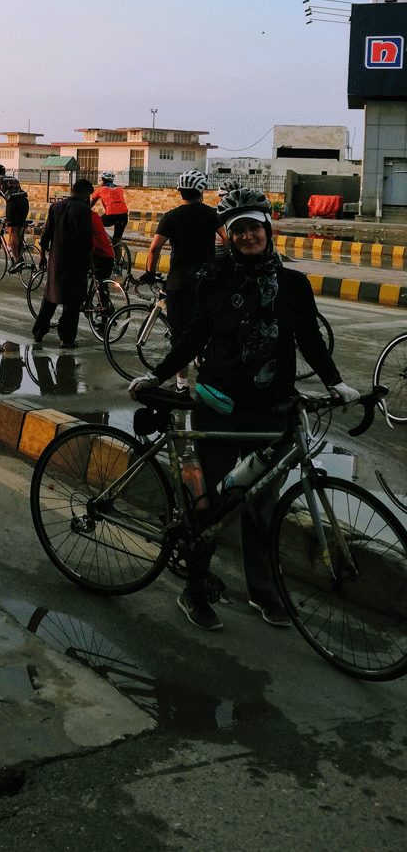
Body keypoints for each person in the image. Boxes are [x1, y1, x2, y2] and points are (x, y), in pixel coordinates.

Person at [130, 188, 360, 633]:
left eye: (255, 228)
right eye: (239, 230)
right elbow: (194, 336)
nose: (248, 236)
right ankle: (194, 589)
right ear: (229, 236)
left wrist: (336, 382)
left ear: (268, 231)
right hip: (218, 405)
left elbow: (310, 340)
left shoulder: (293, 284)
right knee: (211, 504)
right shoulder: (212, 278)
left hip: (271, 410)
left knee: (262, 506)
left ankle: (263, 592)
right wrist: (159, 375)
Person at [140, 171, 225, 397]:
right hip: (207, 282)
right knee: (209, 329)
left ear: (180, 192)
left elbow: (155, 248)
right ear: (201, 191)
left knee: (180, 336)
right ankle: (210, 380)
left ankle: (182, 386)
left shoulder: (170, 216)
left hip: (178, 284)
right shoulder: (212, 215)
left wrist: (150, 272)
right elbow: (227, 239)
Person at [31, 179, 94, 346]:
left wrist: (42, 255)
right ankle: (66, 339)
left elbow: (46, 235)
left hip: (56, 261)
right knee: (72, 303)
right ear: (82, 192)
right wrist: (91, 263)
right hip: (76, 261)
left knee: (50, 297)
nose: (88, 198)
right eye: (88, 194)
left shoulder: (55, 207)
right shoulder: (84, 210)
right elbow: (87, 240)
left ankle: (39, 332)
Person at [0, 176, 30, 272]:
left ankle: (17, 261)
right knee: (19, 230)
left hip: (13, 203)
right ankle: (20, 255)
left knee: (13, 232)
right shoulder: (13, 179)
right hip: (24, 201)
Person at [91, 171, 129, 242]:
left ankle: (102, 242)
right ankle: (118, 251)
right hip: (124, 216)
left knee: (94, 224)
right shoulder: (119, 189)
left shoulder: (100, 190)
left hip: (111, 216)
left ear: (102, 180)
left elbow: (90, 204)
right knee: (117, 241)